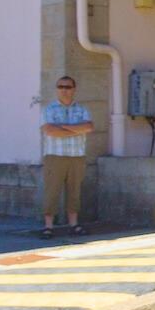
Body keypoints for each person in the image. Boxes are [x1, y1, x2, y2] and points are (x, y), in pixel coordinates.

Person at [40, 75, 94, 238]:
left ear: (74, 89)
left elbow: (89, 127)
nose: (64, 90)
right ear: (57, 89)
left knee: (74, 191)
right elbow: (50, 130)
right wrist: (75, 129)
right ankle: (48, 226)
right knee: (52, 191)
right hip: (55, 156)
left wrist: (62, 127)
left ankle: (74, 224)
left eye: (68, 87)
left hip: (76, 156)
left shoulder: (82, 110)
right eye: (60, 87)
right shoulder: (49, 110)